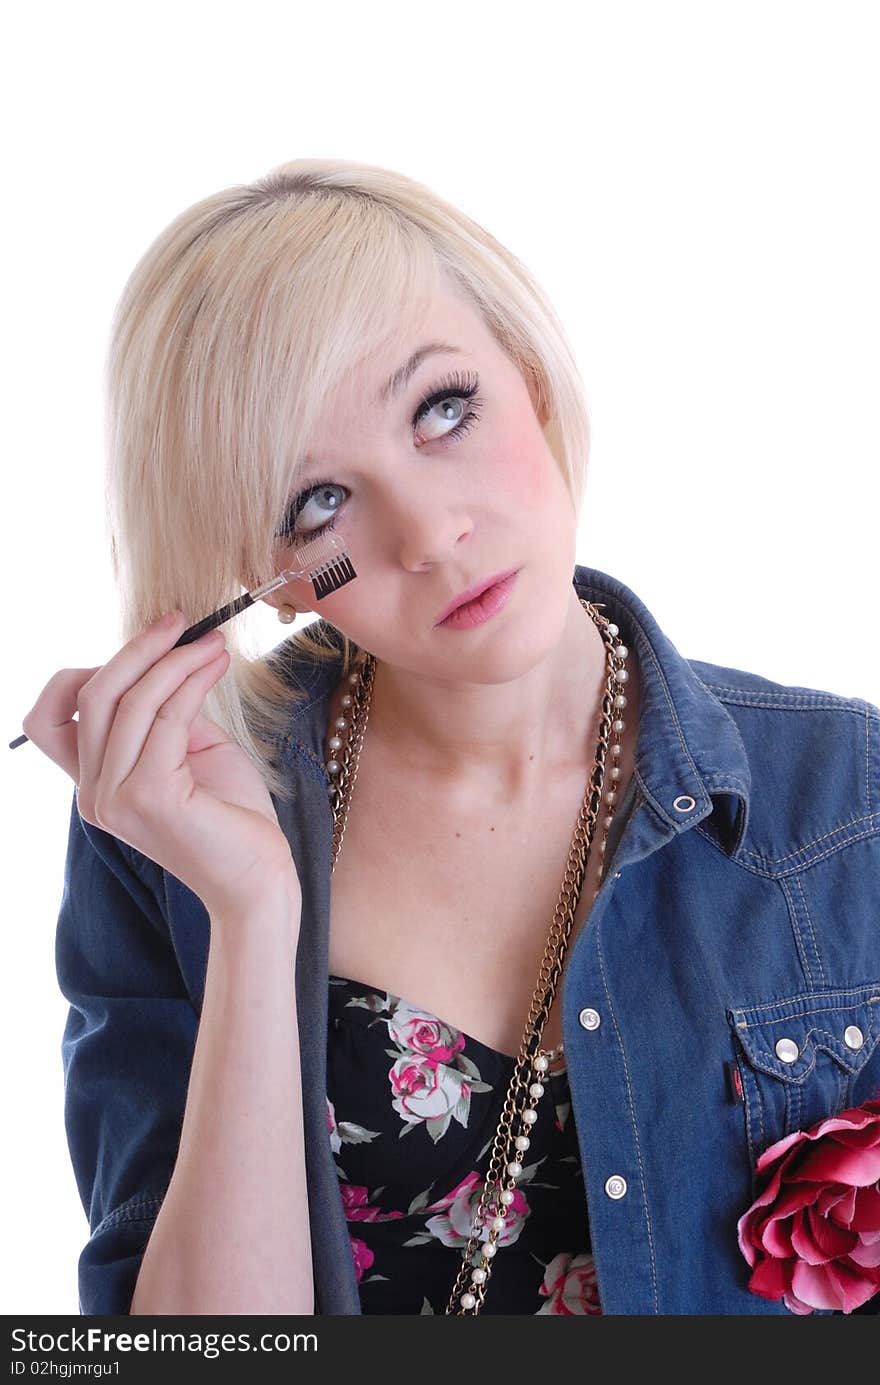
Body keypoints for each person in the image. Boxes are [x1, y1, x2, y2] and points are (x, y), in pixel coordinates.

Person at [24, 159, 880, 1318]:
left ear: (525, 374)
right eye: (317, 502)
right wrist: (252, 915)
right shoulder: (168, 836)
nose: (431, 532)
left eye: (443, 408)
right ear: (268, 578)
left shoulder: (846, 800)